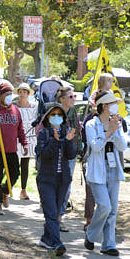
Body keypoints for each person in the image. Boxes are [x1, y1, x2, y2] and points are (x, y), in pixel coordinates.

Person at [84, 90, 127, 256]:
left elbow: (123, 146)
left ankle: (108, 244)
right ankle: (91, 234)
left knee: (113, 210)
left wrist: (115, 130)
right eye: (111, 104)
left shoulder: (116, 122)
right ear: (103, 106)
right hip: (96, 171)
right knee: (105, 206)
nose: (115, 107)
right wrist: (108, 131)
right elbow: (95, 146)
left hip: (114, 169)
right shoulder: (91, 124)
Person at [36, 103, 76, 256]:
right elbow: (44, 154)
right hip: (46, 180)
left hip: (62, 180)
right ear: (48, 117)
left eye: (60, 115)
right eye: (53, 114)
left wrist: (68, 141)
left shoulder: (66, 132)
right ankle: (57, 243)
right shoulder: (44, 134)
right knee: (51, 213)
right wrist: (55, 140)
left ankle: (46, 238)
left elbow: (71, 155)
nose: (57, 117)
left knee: (56, 212)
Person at [0, 82, 28, 215]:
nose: (9, 97)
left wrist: (24, 143)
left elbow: (20, 128)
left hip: (11, 149)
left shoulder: (15, 109)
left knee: (14, 174)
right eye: (7, 94)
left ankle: (4, 191)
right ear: (1, 95)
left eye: (10, 94)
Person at [55, 86, 82, 232]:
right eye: (70, 97)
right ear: (62, 99)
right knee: (55, 185)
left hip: (69, 154)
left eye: (74, 96)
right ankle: (52, 217)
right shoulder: (55, 113)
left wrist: (79, 149)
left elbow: (77, 131)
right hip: (55, 154)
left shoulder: (74, 113)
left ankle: (59, 218)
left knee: (66, 187)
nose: (73, 99)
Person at [13, 83, 37, 200]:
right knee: (13, 163)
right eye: (20, 91)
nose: (22, 94)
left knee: (25, 164)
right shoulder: (13, 106)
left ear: (28, 94)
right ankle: (8, 187)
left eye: (24, 92)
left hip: (28, 138)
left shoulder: (33, 107)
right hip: (14, 137)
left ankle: (23, 189)